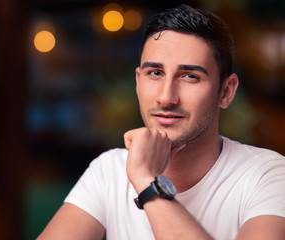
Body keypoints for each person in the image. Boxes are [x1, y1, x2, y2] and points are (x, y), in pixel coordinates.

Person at [37, 4, 285, 240]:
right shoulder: (109, 171)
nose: (166, 97)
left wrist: (147, 181)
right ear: (138, 82)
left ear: (226, 92)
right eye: (155, 73)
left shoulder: (268, 175)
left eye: (190, 76)